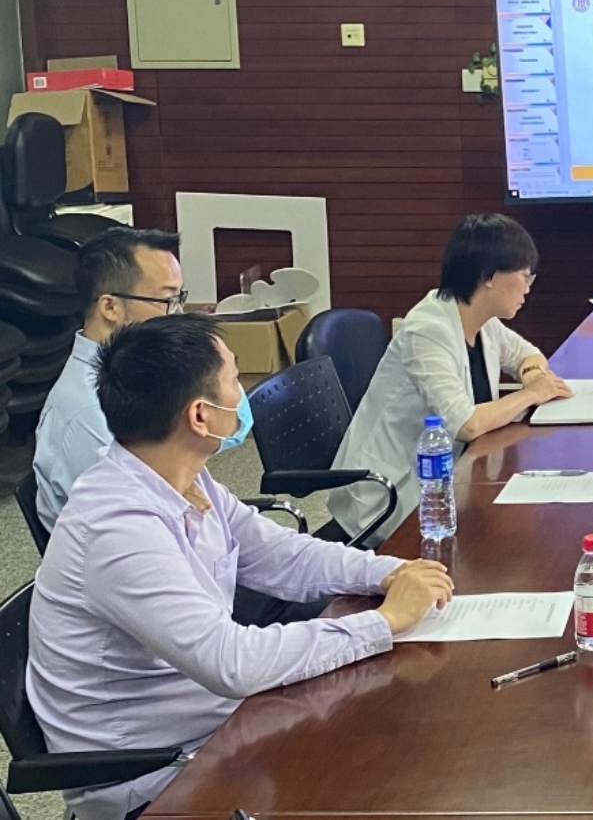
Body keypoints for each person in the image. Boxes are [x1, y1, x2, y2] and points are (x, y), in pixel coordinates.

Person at [27, 315, 454, 820]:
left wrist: (387, 572)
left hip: (219, 724)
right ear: (200, 416)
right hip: (155, 778)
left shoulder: (180, 476)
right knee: (382, 767)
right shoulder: (116, 526)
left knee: (391, 732)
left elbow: (282, 554)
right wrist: (384, 621)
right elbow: (232, 663)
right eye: (234, 377)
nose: (243, 390)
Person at [328, 214, 572, 544]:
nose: (528, 288)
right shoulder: (427, 330)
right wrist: (532, 394)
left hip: (449, 476)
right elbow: (465, 424)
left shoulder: (480, 318)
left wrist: (532, 377)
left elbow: (528, 356)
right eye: (524, 276)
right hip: (393, 494)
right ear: (489, 276)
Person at [33, 227, 185, 533]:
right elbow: (135, 529)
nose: (177, 315)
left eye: (179, 298)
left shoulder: (134, 372)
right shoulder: (89, 413)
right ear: (110, 307)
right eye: (166, 300)